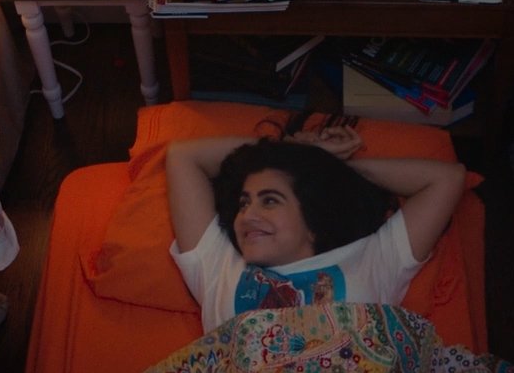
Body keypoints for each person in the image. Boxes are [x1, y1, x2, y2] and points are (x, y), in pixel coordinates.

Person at [166, 117, 469, 331]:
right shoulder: (220, 266)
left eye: (269, 201)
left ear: (313, 213)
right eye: (244, 204)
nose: (247, 216)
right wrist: (287, 150)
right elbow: (183, 156)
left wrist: (323, 164)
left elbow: (447, 179)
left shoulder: (371, 259)